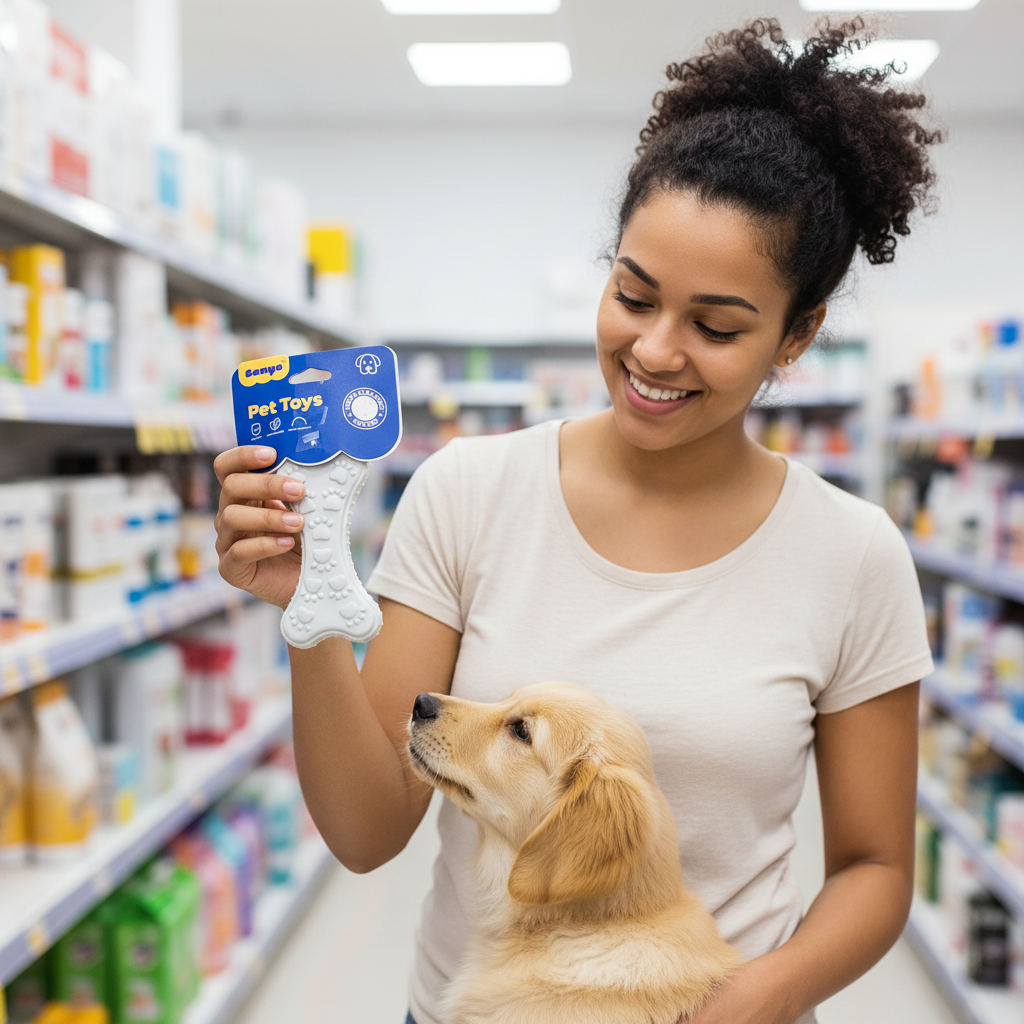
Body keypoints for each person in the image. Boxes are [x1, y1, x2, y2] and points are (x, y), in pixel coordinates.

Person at [214, 18, 941, 1024]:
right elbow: (368, 830)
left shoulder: (850, 555)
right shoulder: (469, 491)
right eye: (633, 295)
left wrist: (755, 996)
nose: (655, 351)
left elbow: (875, 868)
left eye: (715, 325)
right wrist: (310, 611)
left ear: (797, 333)